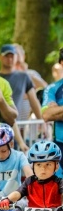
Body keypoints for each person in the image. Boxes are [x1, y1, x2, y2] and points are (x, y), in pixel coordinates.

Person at [0, 44, 43, 151]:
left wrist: (42, 122)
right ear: (0, 57)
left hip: (15, 126)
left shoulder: (23, 76)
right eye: (6, 56)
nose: (9, 59)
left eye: (12, 56)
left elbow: (34, 100)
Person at [42, 48, 63, 177]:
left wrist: (58, 110)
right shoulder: (53, 89)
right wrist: (54, 112)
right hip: (60, 147)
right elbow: (47, 115)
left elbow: (54, 112)